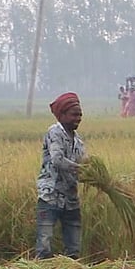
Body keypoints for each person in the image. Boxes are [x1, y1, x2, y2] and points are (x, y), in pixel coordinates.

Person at [35, 92, 86, 259]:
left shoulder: (78, 142)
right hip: (50, 196)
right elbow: (57, 160)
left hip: (71, 199)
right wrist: (81, 169)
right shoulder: (55, 132)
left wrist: (93, 175)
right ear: (62, 115)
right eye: (74, 114)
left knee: (74, 248)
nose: (78, 118)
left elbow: (84, 164)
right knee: (44, 244)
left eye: (80, 115)